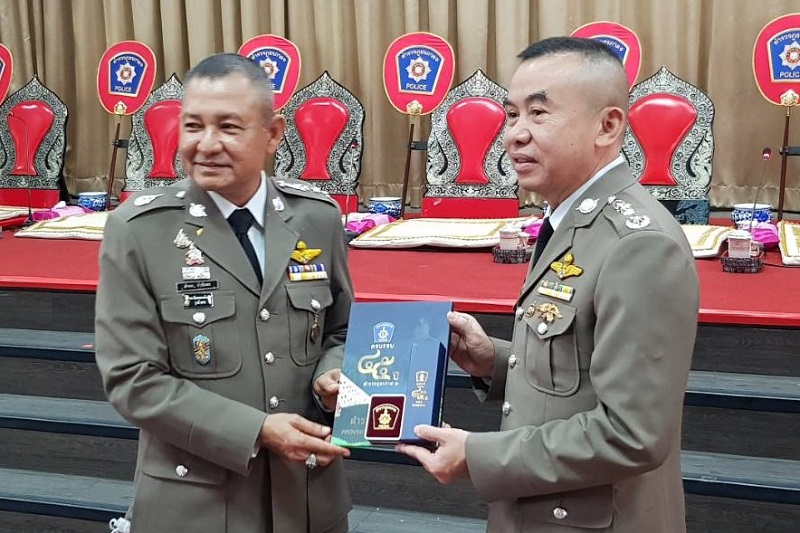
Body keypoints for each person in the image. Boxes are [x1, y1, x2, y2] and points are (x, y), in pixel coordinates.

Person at [397, 37, 700, 532]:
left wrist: (478, 455)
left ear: (608, 126)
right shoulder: (573, 219)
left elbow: (632, 434)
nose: (515, 135)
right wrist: (493, 360)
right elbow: (577, 366)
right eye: (511, 114)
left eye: (538, 114)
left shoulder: (638, 244)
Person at [96, 53, 353, 533]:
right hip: (198, 505)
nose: (206, 144)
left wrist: (330, 374)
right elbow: (133, 379)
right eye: (193, 126)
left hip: (307, 501)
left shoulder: (316, 217)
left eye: (229, 127)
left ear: (273, 134)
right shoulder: (140, 230)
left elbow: (340, 331)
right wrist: (257, 431)